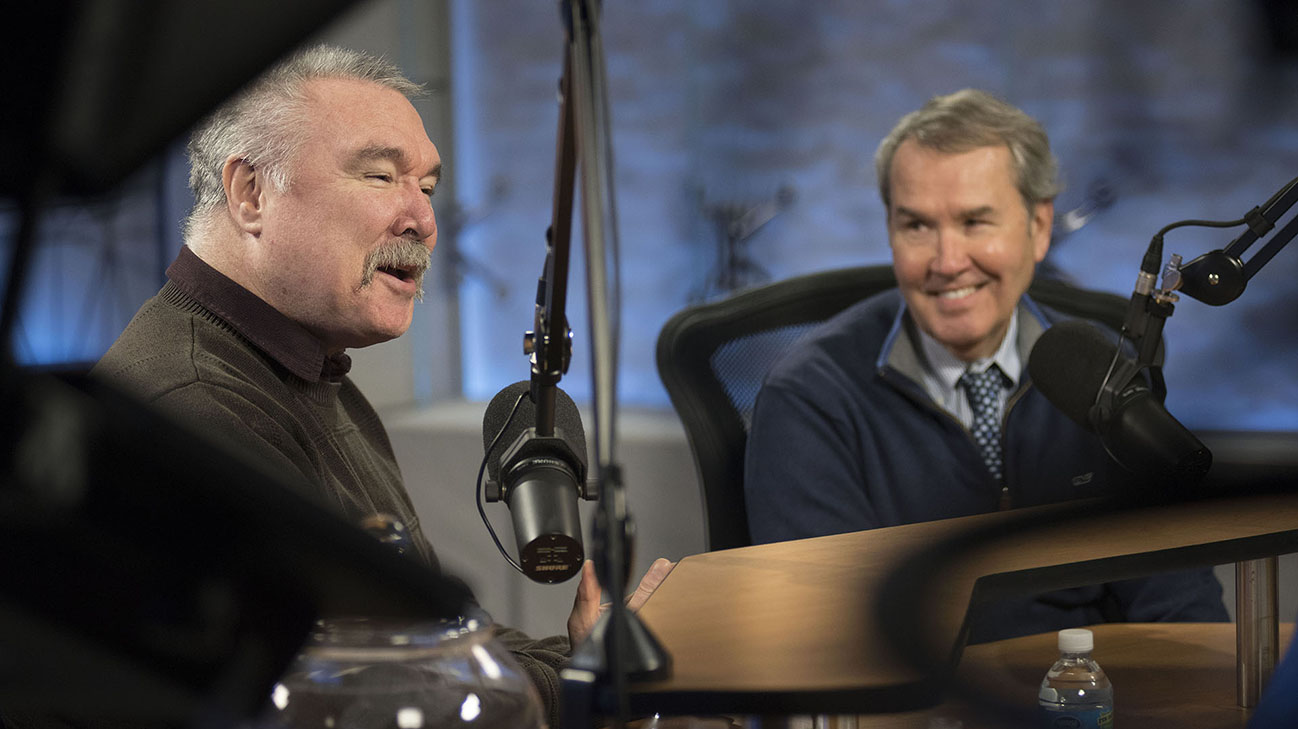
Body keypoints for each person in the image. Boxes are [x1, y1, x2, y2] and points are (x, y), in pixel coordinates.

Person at [89, 45, 672, 725]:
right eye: (379, 176)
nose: (422, 221)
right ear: (251, 192)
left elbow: (439, 642)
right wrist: (585, 681)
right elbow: (378, 703)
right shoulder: (195, 408)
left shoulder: (311, 368)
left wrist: (586, 659)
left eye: (427, 187)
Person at [743, 89, 1226, 642]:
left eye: (975, 222)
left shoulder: (1102, 380)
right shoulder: (809, 399)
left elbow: (1184, 616)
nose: (947, 262)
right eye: (917, 226)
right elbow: (824, 640)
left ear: (1039, 228)